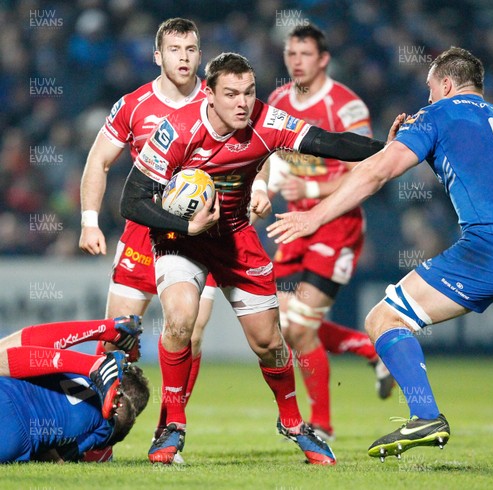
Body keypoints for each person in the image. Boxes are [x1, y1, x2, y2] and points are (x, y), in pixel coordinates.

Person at [267, 46, 493, 460]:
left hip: (491, 246)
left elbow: (378, 172)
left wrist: (313, 216)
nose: (426, 98)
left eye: (429, 88)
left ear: (446, 84)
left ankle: (424, 415)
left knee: (383, 317)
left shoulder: (437, 115)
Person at [120, 52, 392, 465]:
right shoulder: (175, 130)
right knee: (180, 319)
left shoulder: (266, 121)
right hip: (181, 238)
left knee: (269, 343)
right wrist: (186, 227)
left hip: (234, 238)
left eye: (249, 92)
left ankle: (294, 423)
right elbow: (131, 199)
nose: (242, 103)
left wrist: (389, 149)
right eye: (231, 94)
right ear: (208, 94)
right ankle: (172, 425)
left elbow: (326, 141)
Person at [78, 18, 213, 462]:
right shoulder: (135, 104)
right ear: (158, 55)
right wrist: (89, 221)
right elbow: (98, 161)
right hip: (143, 230)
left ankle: (168, 433)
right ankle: (99, 440)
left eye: (191, 49)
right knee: (115, 340)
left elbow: (256, 147)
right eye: (175, 49)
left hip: (198, 234)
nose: (184, 57)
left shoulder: (218, 100)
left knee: (187, 334)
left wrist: (264, 189)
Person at [266, 23, 393, 440]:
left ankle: (322, 427)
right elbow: (269, 155)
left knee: (300, 328)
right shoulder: (279, 100)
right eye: (291, 54)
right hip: (294, 225)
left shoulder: (347, 106)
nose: (296, 61)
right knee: (284, 324)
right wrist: (260, 190)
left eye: (305, 54)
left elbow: (367, 169)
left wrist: (314, 188)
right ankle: (368, 348)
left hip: (335, 225)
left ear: (323, 59)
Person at [0, 316, 148, 463]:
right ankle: (99, 349)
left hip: (7, 392)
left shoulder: (69, 370)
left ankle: (103, 332)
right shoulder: (105, 431)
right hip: (15, 442)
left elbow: (27, 356)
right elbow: (57, 458)